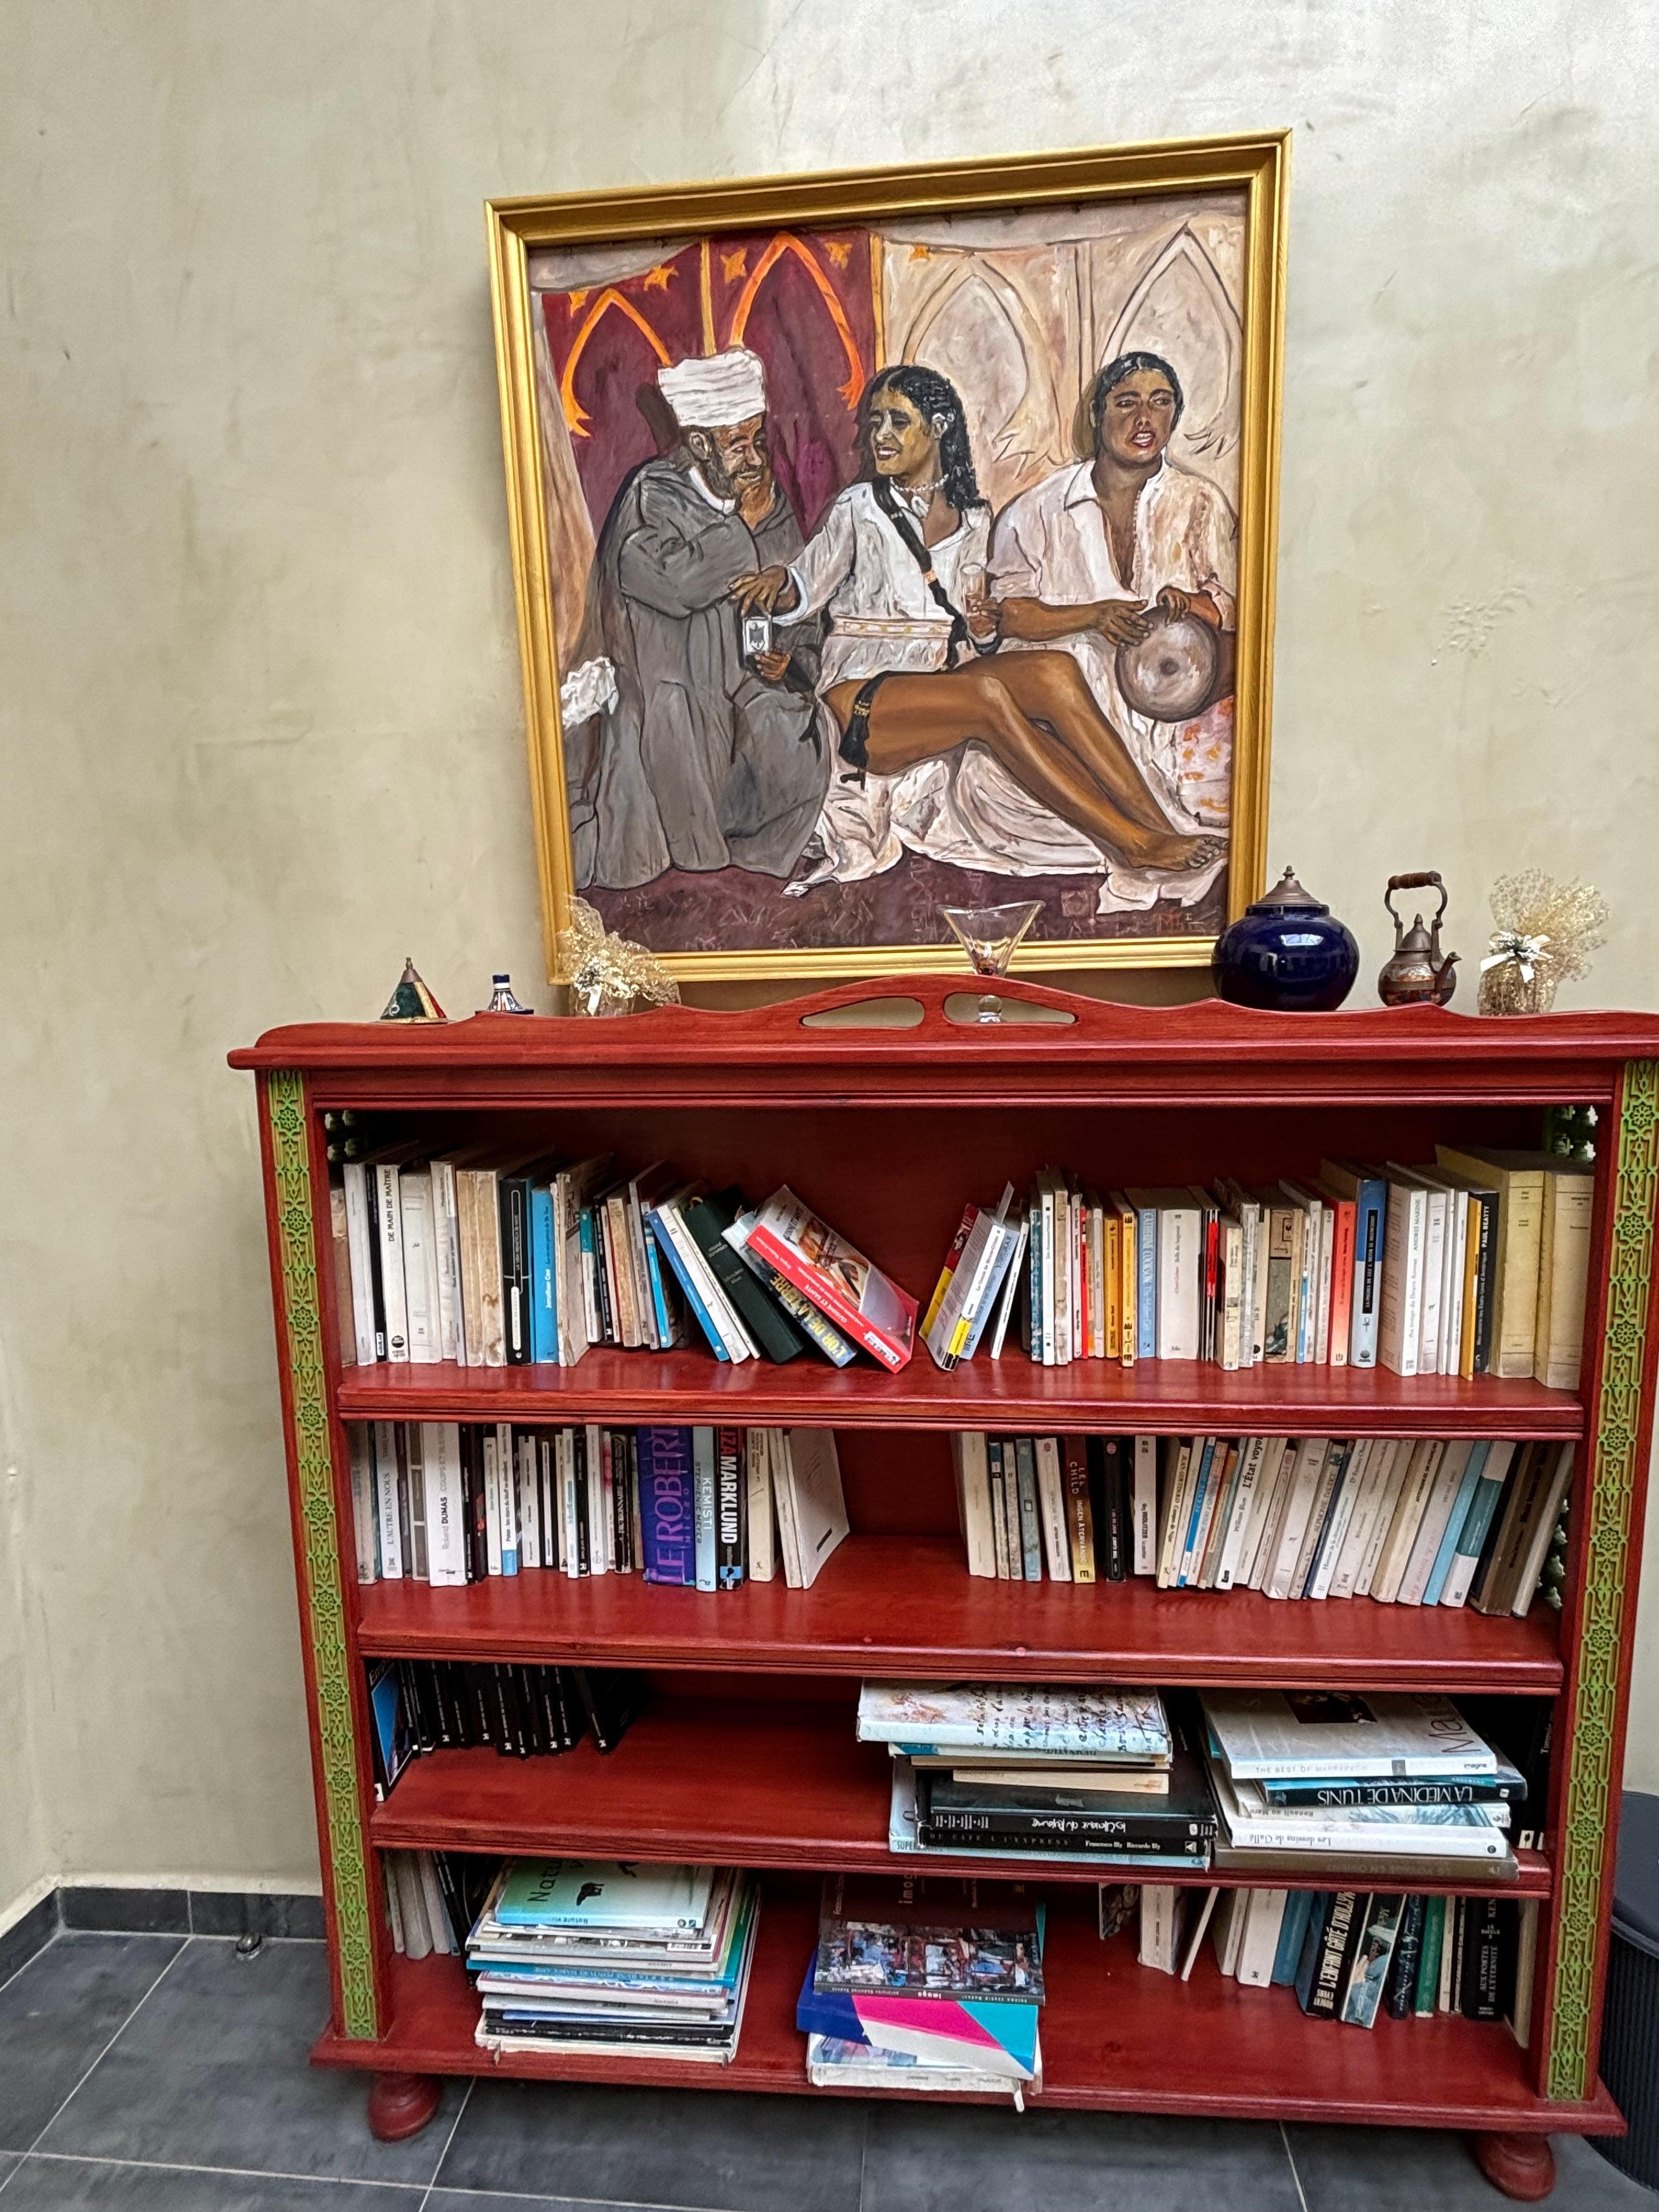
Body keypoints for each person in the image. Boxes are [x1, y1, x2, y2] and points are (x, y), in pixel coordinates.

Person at [730, 364, 1221, 893]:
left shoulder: (975, 518)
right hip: (862, 693)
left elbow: (977, 634)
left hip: (940, 680)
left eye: (898, 422)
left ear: (939, 427)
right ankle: (1132, 842)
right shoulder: (859, 507)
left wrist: (984, 629)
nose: (881, 436)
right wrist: (779, 582)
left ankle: (1156, 824)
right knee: (986, 697)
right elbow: (804, 586)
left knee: (1055, 670)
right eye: (876, 423)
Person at [559, 346, 826, 891]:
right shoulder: (654, 492)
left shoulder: (765, 499)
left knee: (799, 731)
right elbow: (670, 584)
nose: (754, 458)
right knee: (676, 734)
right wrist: (738, 525)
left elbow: (796, 587)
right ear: (702, 445)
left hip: (746, 680)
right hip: (668, 683)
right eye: (737, 445)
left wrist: (790, 658)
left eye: (758, 441)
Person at [989, 350, 1239, 888]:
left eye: (1160, 403)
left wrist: (1190, 604)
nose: (1144, 419)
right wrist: (1091, 618)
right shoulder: (1040, 508)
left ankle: (1150, 831)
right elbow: (1007, 616)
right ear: (1098, 415)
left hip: (1166, 700)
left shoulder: (1200, 502)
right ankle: (1143, 834)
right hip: (1063, 702)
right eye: (1127, 403)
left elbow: (1238, 605)